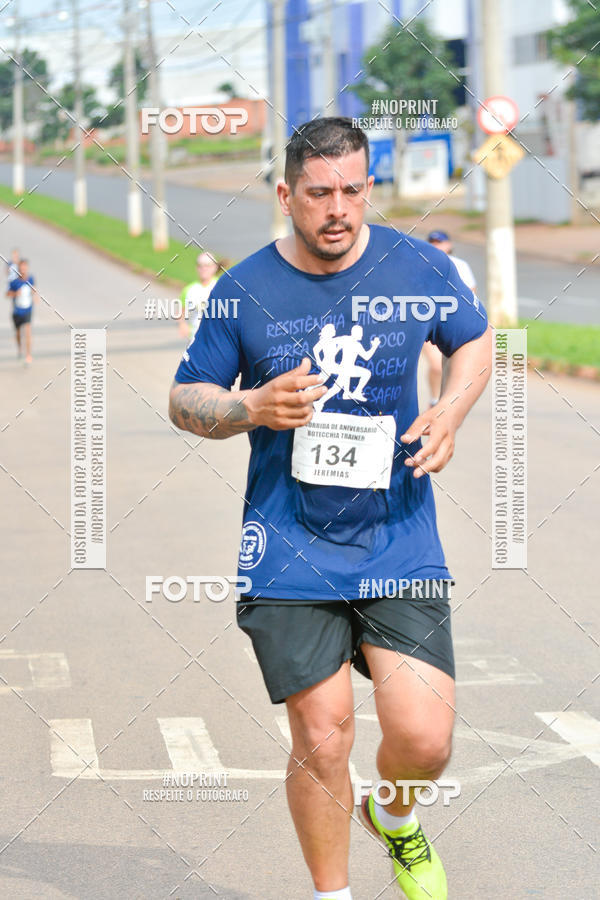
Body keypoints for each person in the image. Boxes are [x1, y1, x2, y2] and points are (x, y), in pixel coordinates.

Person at [169, 117, 491, 900]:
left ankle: (399, 819)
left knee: (423, 735)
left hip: (399, 538)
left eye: (352, 190)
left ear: (368, 188)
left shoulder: (418, 266)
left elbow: (474, 344)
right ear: (287, 195)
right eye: (319, 193)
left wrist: (449, 411)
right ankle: (332, 895)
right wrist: (249, 406)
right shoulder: (241, 290)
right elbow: (186, 397)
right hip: (287, 542)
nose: (338, 208)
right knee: (323, 737)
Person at [422, 231, 478, 406]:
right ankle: (434, 400)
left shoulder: (460, 266)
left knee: (452, 366)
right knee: (436, 365)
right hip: (428, 323)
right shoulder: (422, 265)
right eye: (432, 242)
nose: (436, 245)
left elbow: (470, 294)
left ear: (449, 245)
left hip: (453, 323)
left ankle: (446, 401)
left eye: (440, 242)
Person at [177, 252, 220, 341]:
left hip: (216, 339)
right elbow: (181, 311)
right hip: (195, 338)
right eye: (200, 266)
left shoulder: (220, 286)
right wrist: (182, 324)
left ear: (215, 267)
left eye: (207, 265)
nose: (203, 269)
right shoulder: (189, 289)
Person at [8, 258, 37, 364]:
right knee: (18, 333)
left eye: (25, 267)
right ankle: (20, 348)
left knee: (28, 332)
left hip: (28, 309)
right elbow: (7, 294)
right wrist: (16, 294)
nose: (23, 269)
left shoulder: (31, 279)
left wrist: (35, 296)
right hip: (17, 311)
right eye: (22, 267)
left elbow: (34, 289)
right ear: (19, 268)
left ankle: (28, 355)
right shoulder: (14, 282)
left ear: (27, 268)